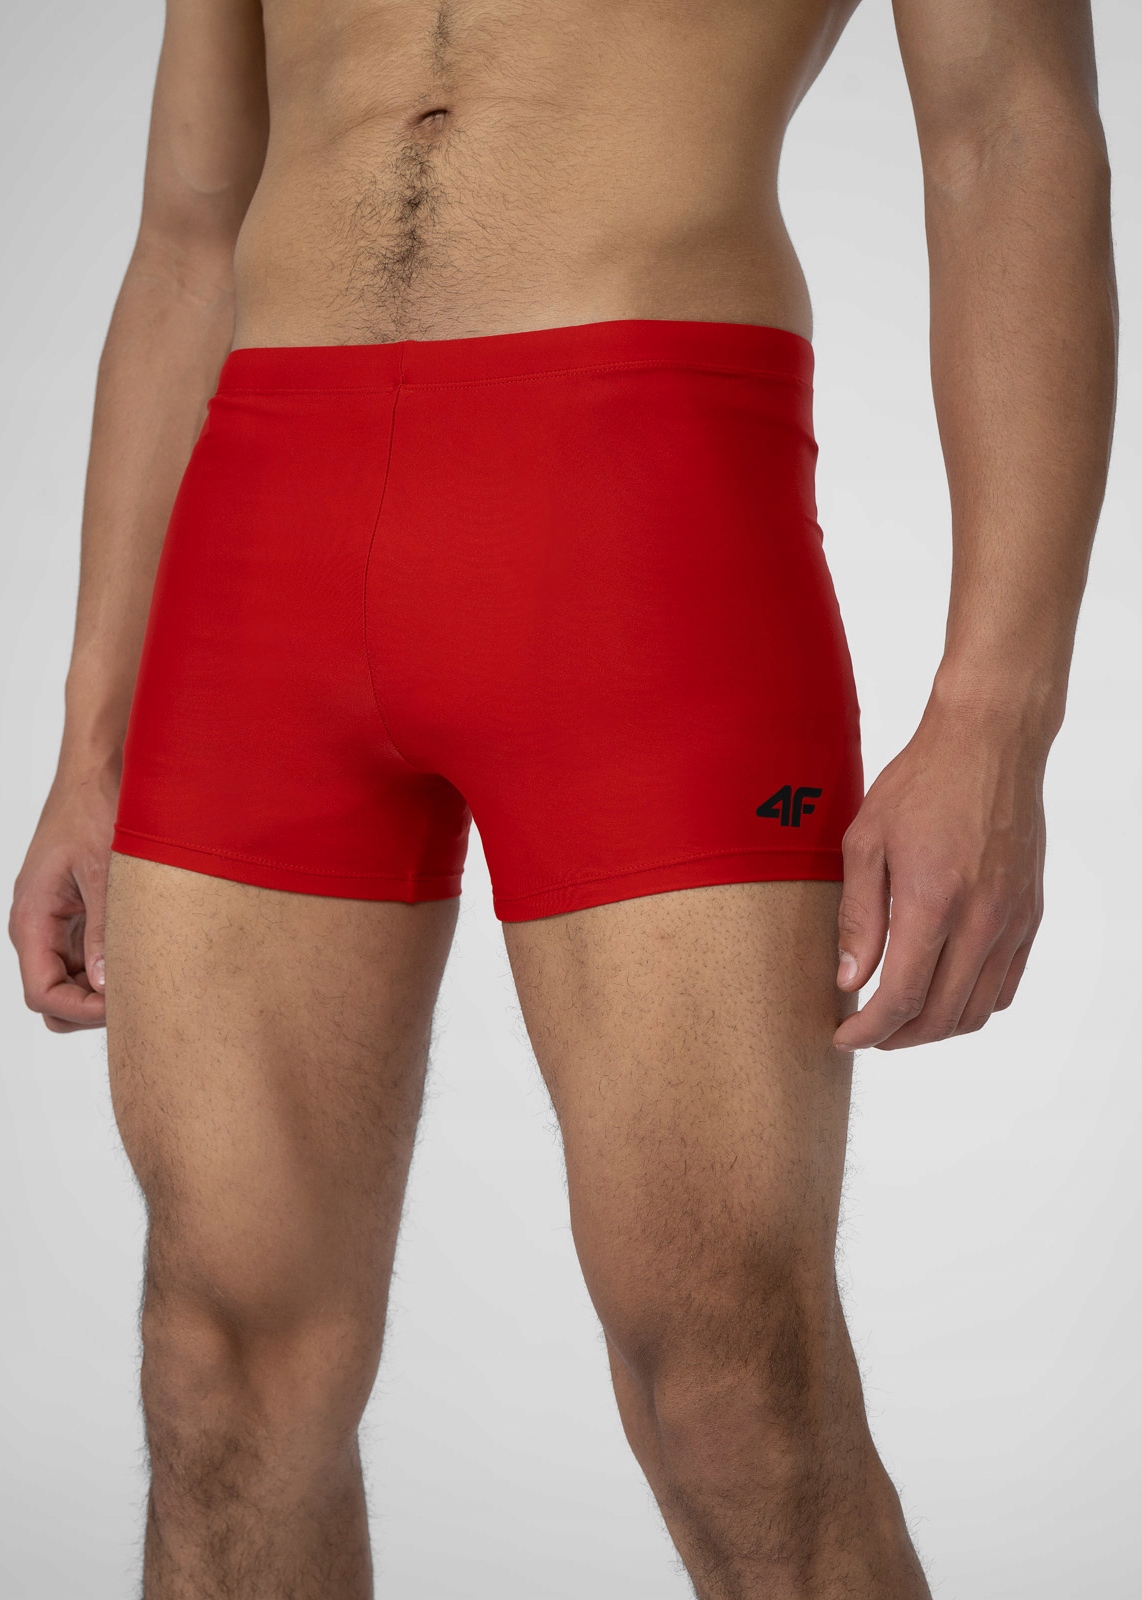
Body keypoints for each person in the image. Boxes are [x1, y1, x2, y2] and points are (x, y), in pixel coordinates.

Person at [8, 0, 1116, 1594]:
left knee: (728, 1372)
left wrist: (996, 714)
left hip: (632, 500)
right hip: (260, 528)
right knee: (218, 1369)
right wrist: (91, 737)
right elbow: (188, 231)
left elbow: (1006, 131)